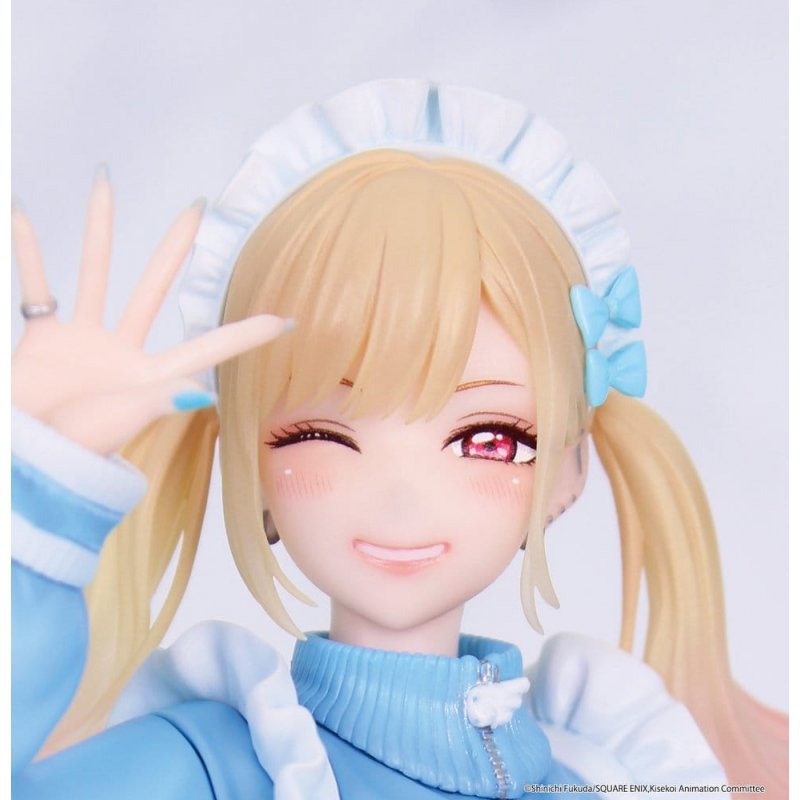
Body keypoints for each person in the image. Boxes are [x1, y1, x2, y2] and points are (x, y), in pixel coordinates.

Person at [11, 80, 787, 798]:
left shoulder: (607, 769)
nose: (401, 498)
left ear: (565, 472)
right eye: (319, 433)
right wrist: (40, 497)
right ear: (249, 463)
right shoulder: (218, 766)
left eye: (488, 440)